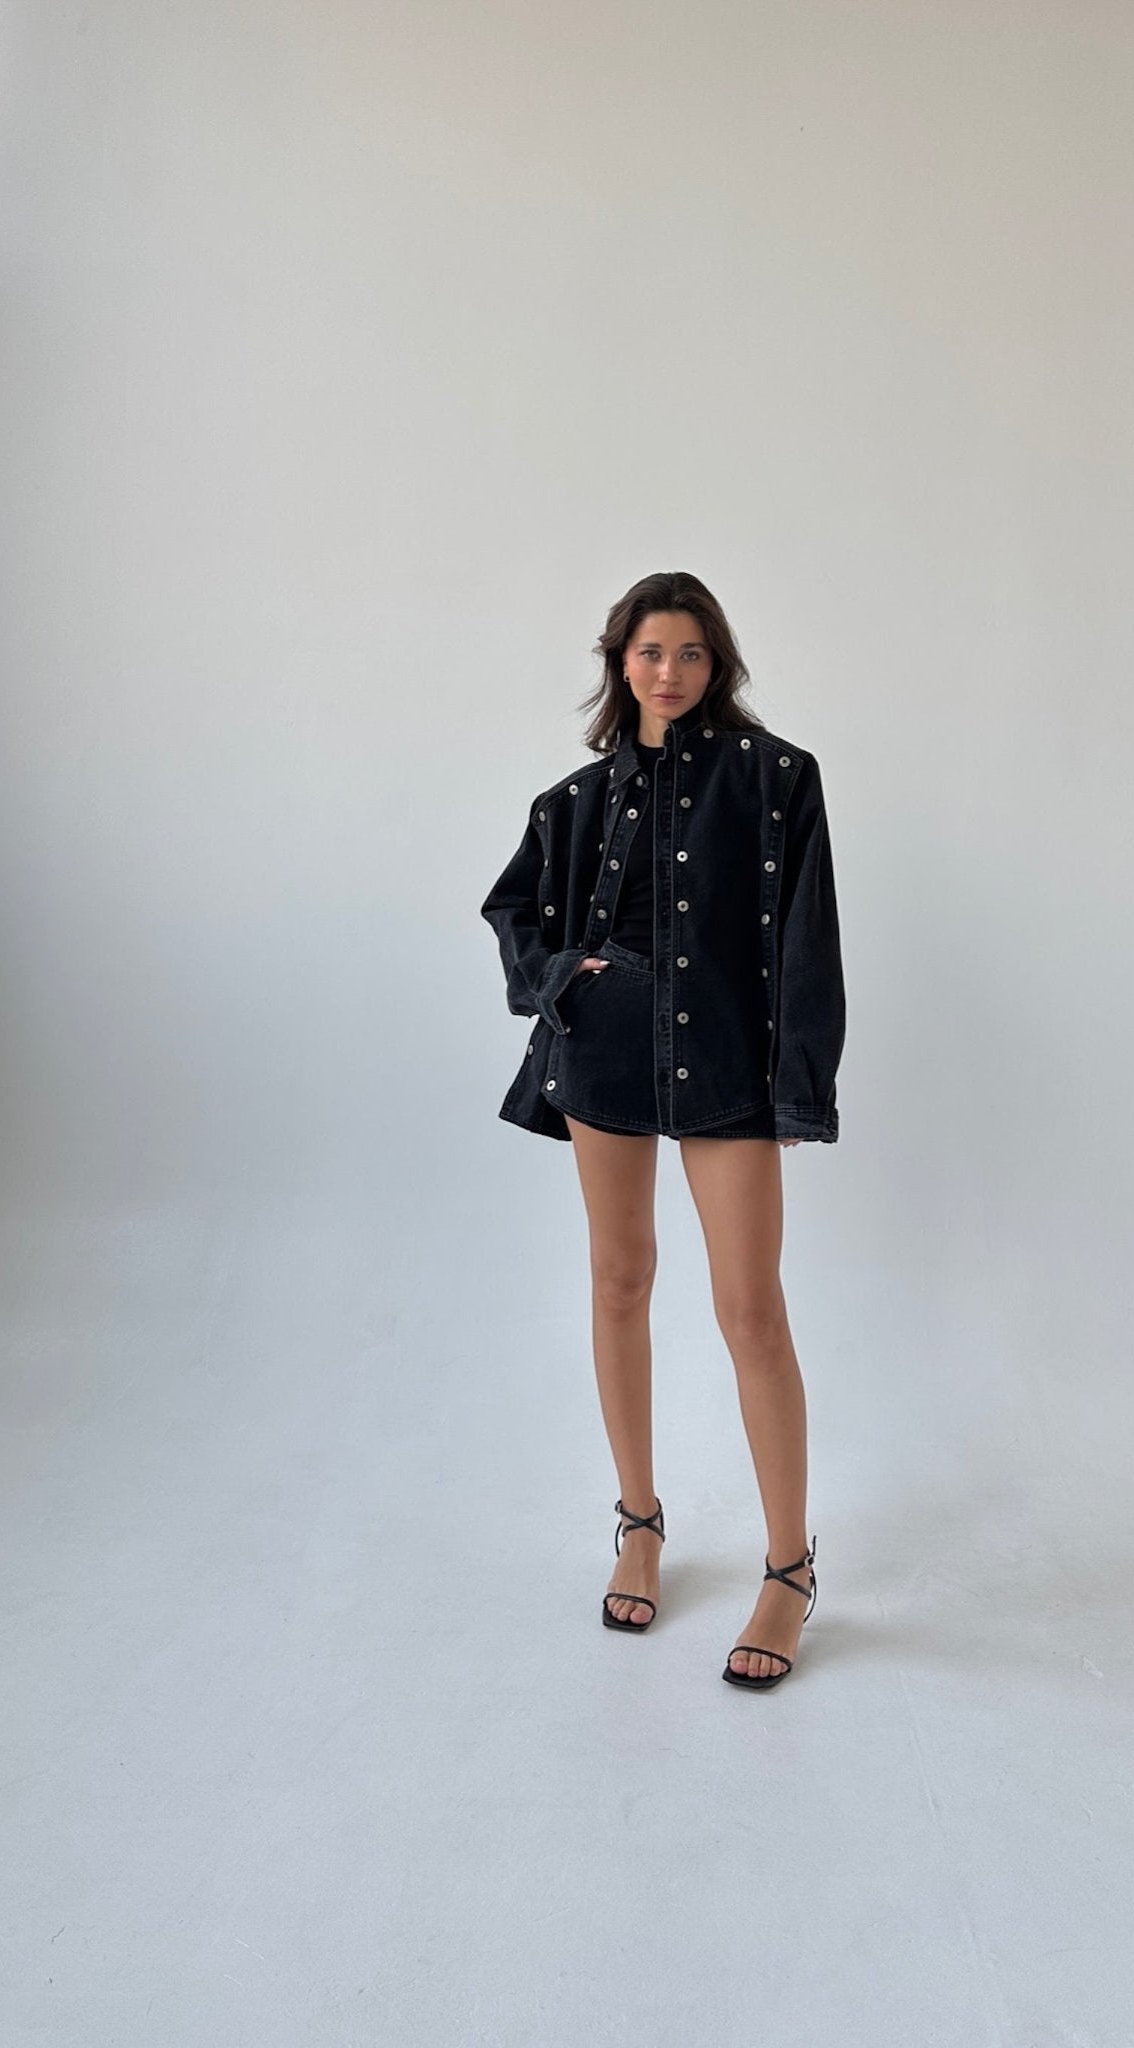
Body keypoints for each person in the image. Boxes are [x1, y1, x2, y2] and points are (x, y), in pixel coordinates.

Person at [479, 571, 845, 1690]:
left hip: (727, 1058)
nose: (668, 671)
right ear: (619, 661)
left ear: (715, 661)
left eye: (689, 652)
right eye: (649, 651)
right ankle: (638, 1522)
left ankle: (788, 1571)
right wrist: (560, 976)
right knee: (619, 1280)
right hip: (604, 1053)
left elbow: (807, 938)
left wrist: (798, 1089)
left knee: (750, 1309)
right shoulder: (572, 800)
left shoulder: (777, 778)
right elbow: (510, 907)